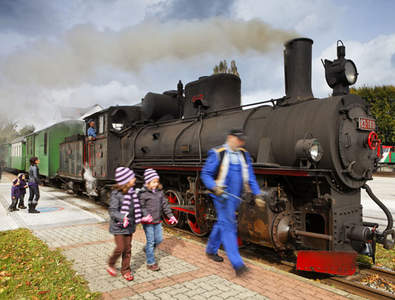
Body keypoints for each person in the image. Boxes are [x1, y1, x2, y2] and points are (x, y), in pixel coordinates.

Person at [200, 129, 264, 276]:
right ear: (230, 138)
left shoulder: (243, 154)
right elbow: (206, 174)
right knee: (229, 225)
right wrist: (214, 187)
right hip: (222, 195)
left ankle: (210, 250)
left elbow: (251, 177)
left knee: (222, 222)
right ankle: (238, 264)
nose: (241, 142)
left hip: (236, 196)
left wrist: (258, 194)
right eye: (238, 139)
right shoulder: (217, 153)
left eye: (242, 140)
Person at [107, 167, 145, 281]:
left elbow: (137, 208)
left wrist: (143, 216)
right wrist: (122, 217)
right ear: (126, 180)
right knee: (120, 248)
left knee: (127, 249)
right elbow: (112, 211)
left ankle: (126, 270)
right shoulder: (116, 194)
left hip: (129, 226)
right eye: (132, 177)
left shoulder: (133, 193)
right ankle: (111, 263)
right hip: (118, 226)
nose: (134, 179)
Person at [139, 168, 177, 271]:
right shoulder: (143, 194)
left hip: (158, 221)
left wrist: (171, 216)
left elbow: (165, 205)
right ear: (147, 182)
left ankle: (147, 248)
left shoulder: (160, 192)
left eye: (157, 182)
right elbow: (141, 207)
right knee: (151, 242)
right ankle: (151, 263)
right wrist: (146, 215)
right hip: (148, 222)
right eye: (153, 182)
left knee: (159, 239)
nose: (155, 184)